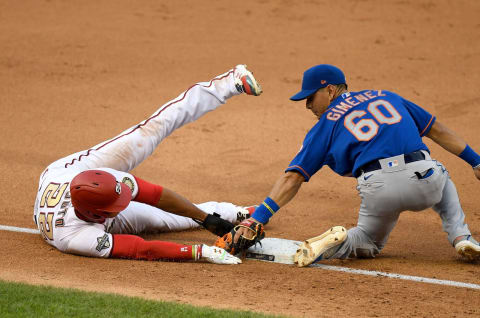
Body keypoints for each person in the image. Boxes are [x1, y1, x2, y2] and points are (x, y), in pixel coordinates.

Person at [235, 64, 480, 266]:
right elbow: (436, 130)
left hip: (378, 189)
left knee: (368, 242)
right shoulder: (387, 96)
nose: (308, 105)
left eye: (310, 98)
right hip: (424, 177)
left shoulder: (324, 126)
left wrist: (258, 218)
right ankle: (461, 236)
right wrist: (475, 161)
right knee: (443, 178)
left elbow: (293, 177)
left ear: (330, 91)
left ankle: (332, 243)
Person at [33, 65, 262, 265]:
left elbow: (154, 194)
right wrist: (200, 251)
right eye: (117, 201)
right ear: (98, 214)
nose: (125, 198)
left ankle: (229, 82)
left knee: (148, 132)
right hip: (81, 218)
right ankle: (234, 212)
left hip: (65, 172)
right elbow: (139, 249)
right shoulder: (76, 239)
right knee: (160, 220)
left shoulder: (105, 181)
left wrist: (205, 219)